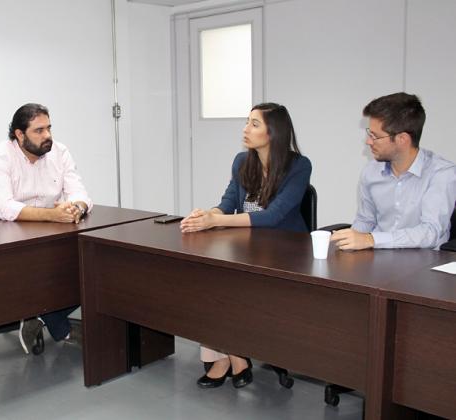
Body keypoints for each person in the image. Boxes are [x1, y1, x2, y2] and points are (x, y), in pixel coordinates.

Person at [180, 103, 312, 389]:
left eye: (254, 124)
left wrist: (216, 223)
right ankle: (229, 357)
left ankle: (232, 355)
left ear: (273, 132)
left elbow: (274, 216)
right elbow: (228, 203)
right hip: (246, 249)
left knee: (226, 288)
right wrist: (208, 214)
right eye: (247, 122)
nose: (245, 129)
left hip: (284, 253)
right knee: (207, 278)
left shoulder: (299, 166)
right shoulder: (242, 161)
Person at [0, 103, 91, 354]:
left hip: (51, 235)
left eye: (49, 128)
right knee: (42, 270)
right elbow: (6, 209)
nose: (48, 136)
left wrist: (76, 207)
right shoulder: (0, 156)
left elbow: (80, 193)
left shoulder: (60, 152)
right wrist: (52, 215)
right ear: (19, 135)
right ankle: (58, 325)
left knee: (91, 266)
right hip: (6, 239)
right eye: (39, 130)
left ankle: (40, 316)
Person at [331, 92, 455, 251]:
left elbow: (431, 233)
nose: (368, 142)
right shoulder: (371, 171)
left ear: (402, 139)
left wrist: (372, 240)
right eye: (369, 133)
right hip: (378, 262)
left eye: (375, 136)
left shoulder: (441, 173)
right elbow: (365, 220)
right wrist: (348, 242)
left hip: (424, 266)